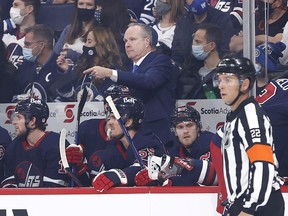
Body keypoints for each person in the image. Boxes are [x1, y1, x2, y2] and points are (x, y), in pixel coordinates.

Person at [83, 22, 177, 150]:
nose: (127, 44)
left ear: (146, 42)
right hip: (130, 138)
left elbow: (148, 81)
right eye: (125, 40)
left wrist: (109, 73)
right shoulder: (126, 67)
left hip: (156, 135)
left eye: (132, 39)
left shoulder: (161, 61)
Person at [212, 56, 284, 215]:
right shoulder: (236, 115)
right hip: (245, 201)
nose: (221, 86)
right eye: (220, 79)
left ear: (245, 84)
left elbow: (263, 165)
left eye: (228, 80)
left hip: (260, 204)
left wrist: (250, 208)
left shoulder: (251, 117)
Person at [91, 96, 167, 191]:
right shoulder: (113, 146)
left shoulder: (147, 141)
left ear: (128, 122)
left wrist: (118, 175)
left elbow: (142, 169)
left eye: (114, 118)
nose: (109, 123)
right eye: (109, 118)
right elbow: (100, 177)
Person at [134, 104, 217, 187]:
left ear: (198, 127)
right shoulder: (174, 151)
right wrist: (156, 178)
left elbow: (208, 180)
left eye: (189, 125)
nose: (185, 131)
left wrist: (168, 182)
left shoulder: (209, 143)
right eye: (180, 127)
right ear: (175, 131)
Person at [64, 85, 131, 186]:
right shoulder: (87, 128)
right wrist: (77, 165)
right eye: (113, 105)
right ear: (105, 106)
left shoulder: (133, 135)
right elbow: (82, 181)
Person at [1, 98, 70, 188]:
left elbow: (52, 191)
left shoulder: (56, 145)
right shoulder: (13, 147)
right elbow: (8, 184)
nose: (14, 122)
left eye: (19, 117)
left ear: (32, 121)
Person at [56, 26, 123, 102]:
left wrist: (94, 103)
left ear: (101, 46)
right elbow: (67, 95)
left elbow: (108, 95)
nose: (85, 45)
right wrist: (67, 72)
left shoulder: (112, 70)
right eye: (86, 41)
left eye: (89, 41)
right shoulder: (81, 67)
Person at [171, 0, 235, 66]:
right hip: (188, 70)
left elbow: (224, 50)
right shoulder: (183, 20)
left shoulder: (222, 19)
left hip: (214, 68)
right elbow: (177, 52)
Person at [14, 24, 67, 102]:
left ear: (41, 45)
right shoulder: (24, 66)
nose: (24, 48)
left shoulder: (61, 67)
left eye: (27, 44)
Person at [177, 23, 224, 99]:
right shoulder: (188, 71)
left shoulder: (227, 73)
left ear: (211, 46)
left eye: (198, 42)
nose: (193, 45)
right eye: (194, 41)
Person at [3, 0, 41, 69]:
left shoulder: (42, 35)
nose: (12, 9)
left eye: (16, 5)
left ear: (29, 9)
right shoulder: (5, 32)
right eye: (12, 5)